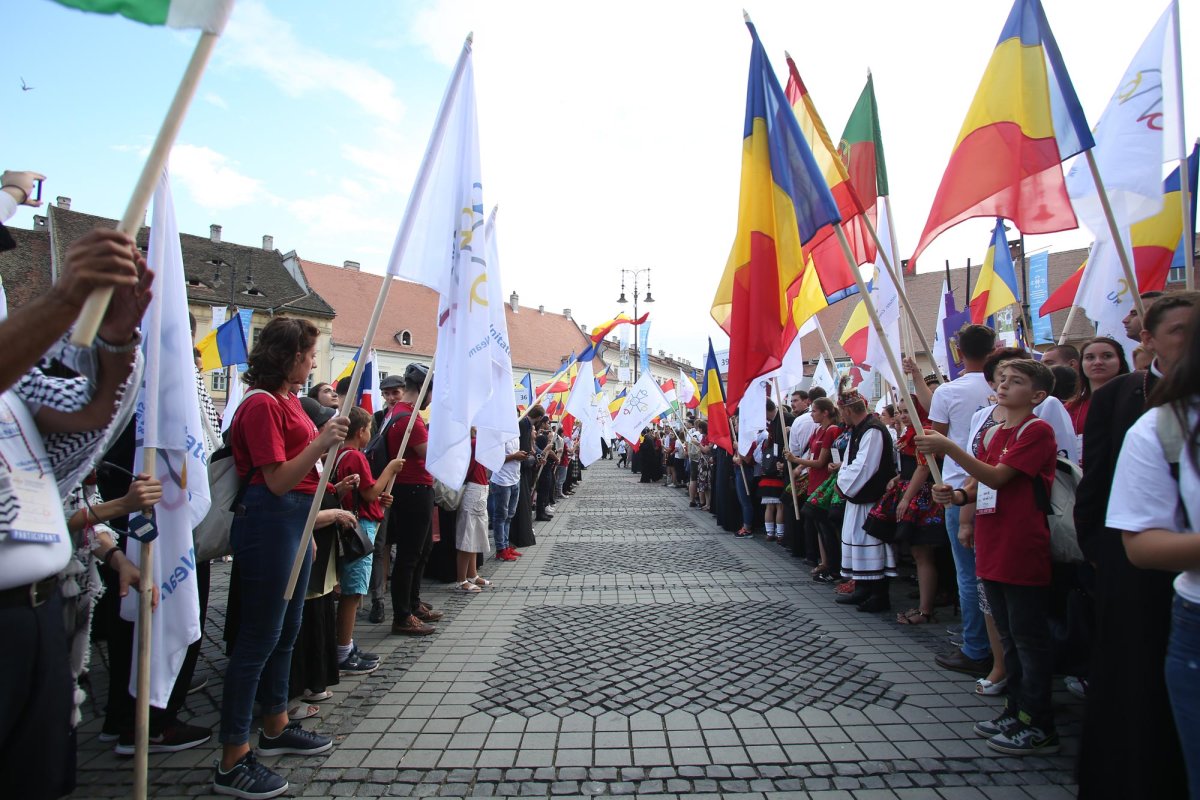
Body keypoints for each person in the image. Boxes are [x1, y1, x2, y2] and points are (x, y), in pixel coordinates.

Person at [215, 317, 348, 798]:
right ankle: (233, 756)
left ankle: (275, 724)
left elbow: (300, 479)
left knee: (286, 631)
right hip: (270, 520)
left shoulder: (287, 400)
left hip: (292, 522)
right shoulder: (260, 404)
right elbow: (275, 480)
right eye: (309, 355)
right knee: (259, 638)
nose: (313, 363)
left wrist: (307, 527)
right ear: (289, 357)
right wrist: (322, 440)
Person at [1074, 291, 1200, 799]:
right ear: (1149, 339)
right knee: (1137, 674)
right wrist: (1094, 546)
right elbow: (1096, 476)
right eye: (1182, 331)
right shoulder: (1127, 401)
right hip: (1133, 552)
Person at [919, 359, 1060, 756]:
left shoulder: (1036, 431)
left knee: (1028, 638)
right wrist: (956, 495)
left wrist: (949, 447)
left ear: (1037, 395)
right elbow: (980, 484)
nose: (1004, 385)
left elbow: (999, 477)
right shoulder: (994, 431)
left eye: (1016, 381)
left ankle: (1039, 722)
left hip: (1020, 541)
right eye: (1002, 379)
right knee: (1007, 635)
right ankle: (1015, 710)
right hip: (991, 538)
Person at [927, 323, 998, 677]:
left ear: (958, 351)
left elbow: (936, 442)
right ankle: (990, 643)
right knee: (991, 573)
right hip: (996, 487)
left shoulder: (949, 391)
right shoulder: (998, 388)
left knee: (969, 574)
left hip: (960, 489)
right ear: (994, 348)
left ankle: (976, 646)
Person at [333, 407, 404, 672]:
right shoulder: (355, 456)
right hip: (359, 527)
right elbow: (370, 492)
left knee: (353, 589)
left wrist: (377, 499)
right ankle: (342, 650)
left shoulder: (340, 454)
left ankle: (347, 644)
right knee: (353, 591)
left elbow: (365, 494)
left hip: (356, 520)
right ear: (362, 431)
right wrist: (390, 470)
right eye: (369, 430)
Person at [384, 363, 443, 637]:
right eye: (431, 392)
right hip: (413, 489)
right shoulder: (409, 418)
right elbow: (429, 454)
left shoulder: (399, 412)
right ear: (423, 389)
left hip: (415, 488)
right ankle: (402, 615)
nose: (431, 400)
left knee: (422, 550)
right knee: (410, 554)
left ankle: (413, 603)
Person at [833, 383, 897, 612]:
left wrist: (842, 485)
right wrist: (842, 480)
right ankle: (862, 587)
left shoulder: (873, 430)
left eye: (842, 412)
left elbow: (865, 466)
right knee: (857, 541)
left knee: (872, 544)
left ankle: (878, 594)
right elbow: (849, 462)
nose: (841, 416)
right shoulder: (859, 429)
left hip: (872, 498)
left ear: (849, 410)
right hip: (859, 497)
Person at [795, 398, 842, 580]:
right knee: (818, 526)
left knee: (826, 527)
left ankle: (833, 565)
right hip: (814, 481)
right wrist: (800, 467)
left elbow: (821, 461)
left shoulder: (832, 430)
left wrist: (796, 460)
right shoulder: (817, 430)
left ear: (825, 412)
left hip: (824, 481)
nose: (811, 414)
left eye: (814, 411)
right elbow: (811, 453)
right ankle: (824, 561)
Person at [1067, 337, 1130, 435]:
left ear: (1121, 362)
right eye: (1090, 357)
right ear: (1081, 365)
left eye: (1107, 356)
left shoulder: (1137, 402)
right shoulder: (1069, 408)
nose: (1098, 362)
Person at [455, 432, 493, 593]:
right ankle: (461, 579)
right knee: (468, 535)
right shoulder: (474, 442)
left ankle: (472, 574)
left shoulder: (475, 442)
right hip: (474, 489)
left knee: (475, 534)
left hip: (479, 488)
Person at [488, 436, 526, 562]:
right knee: (500, 517)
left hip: (515, 479)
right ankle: (500, 550)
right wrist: (514, 456)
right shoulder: (499, 435)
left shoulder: (515, 435)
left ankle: (505, 545)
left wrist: (522, 455)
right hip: (502, 481)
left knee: (509, 516)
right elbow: (494, 460)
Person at [753, 400, 786, 541]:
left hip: (768, 473)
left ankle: (770, 533)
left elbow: (758, 456)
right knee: (778, 506)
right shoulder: (770, 434)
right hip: (776, 472)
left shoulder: (766, 440)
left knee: (770, 506)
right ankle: (779, 534)